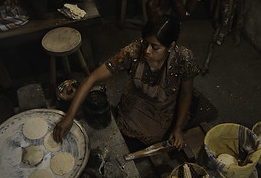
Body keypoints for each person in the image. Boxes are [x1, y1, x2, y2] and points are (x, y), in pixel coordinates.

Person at [53, 16, 200, 151]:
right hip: (134, 102)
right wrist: (69, 117)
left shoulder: (183, 59)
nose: (147, 51)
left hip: (160, 110)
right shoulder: (134, 51)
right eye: (145, 43)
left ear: (170, 46)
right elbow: (91, 79)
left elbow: (186, 94)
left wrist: (178, 128)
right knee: (122, 129)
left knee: (153, 137)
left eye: (155, 47)